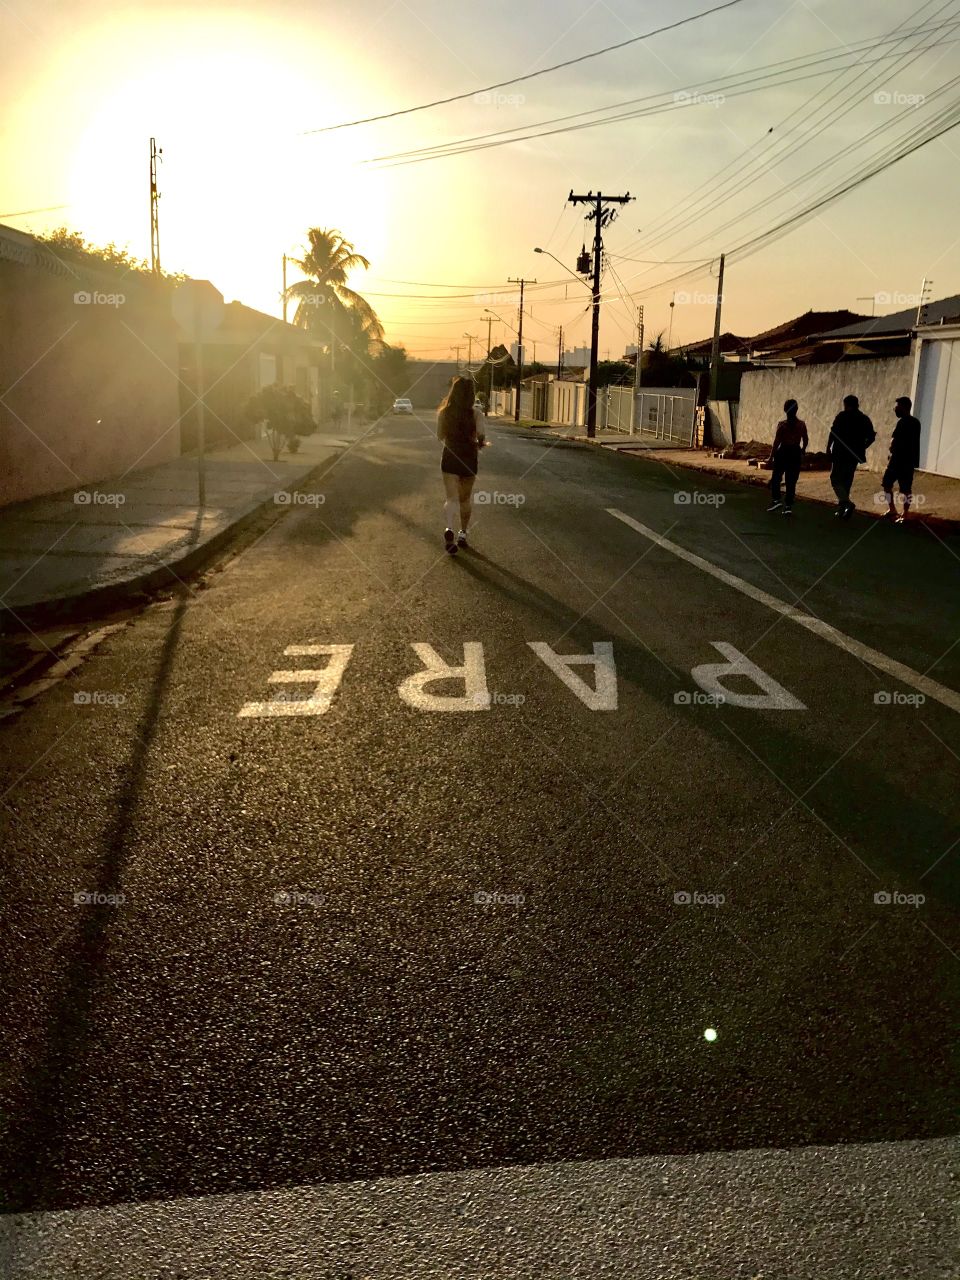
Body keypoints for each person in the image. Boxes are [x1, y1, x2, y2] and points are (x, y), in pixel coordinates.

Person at [437, 375, 486, 555]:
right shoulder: (476, 414)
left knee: (451, 498)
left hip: (450, 456)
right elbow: (481, 437)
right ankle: (463, 533)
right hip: (468, 458)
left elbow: (439, 436)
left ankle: (449, 527)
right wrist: (477, 443)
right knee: (465, 499)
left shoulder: (444, 413)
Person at [827, 394, 876, 520]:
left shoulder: (842, 416)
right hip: (854, 454)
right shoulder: (864, 419)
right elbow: (871, 436)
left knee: (835, 479)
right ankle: (843, 508)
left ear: (846, 404)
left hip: (840, 452)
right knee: (847, 480)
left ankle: (846, 503)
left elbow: (833, 433)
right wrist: (862, 447)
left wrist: (828, 448)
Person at [882, 396, 922, 524]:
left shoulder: (903, 422)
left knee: (888, 484)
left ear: (903, 407)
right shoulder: (916, 422)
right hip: (908, 460)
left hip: (899, 460)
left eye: (897, 406)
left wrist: (892, 450)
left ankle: (895, 510)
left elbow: (894, 441)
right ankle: (904, 513)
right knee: (905, 488)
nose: (895, 409)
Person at [767, 399, 808, 516]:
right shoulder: (801, 425)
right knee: (791, 480)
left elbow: (776, 442)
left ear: (785, 410)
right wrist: (803, 450)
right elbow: (805, 439)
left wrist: (771, 457)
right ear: (796, 410)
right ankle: (788, 506)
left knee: (776, 477)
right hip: (795, 452)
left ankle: (776, 500)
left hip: (783, 451)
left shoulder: (782, 425)